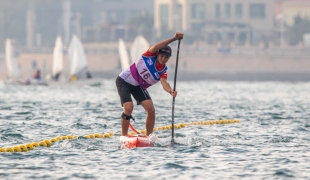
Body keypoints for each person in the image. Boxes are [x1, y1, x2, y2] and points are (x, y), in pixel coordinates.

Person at [116, 32, 184, 136]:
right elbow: (157, 46)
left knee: (151, 110)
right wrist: (174, 39)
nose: (163, 59)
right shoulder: (149, 55)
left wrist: (170, 91)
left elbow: (164, 83)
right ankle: (124, 136)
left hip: (138, 86)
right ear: (157, 54)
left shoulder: (163, 71)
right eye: (161, 56)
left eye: (166, 57)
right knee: (129, 107)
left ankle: (148, 136)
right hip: (124, 81)